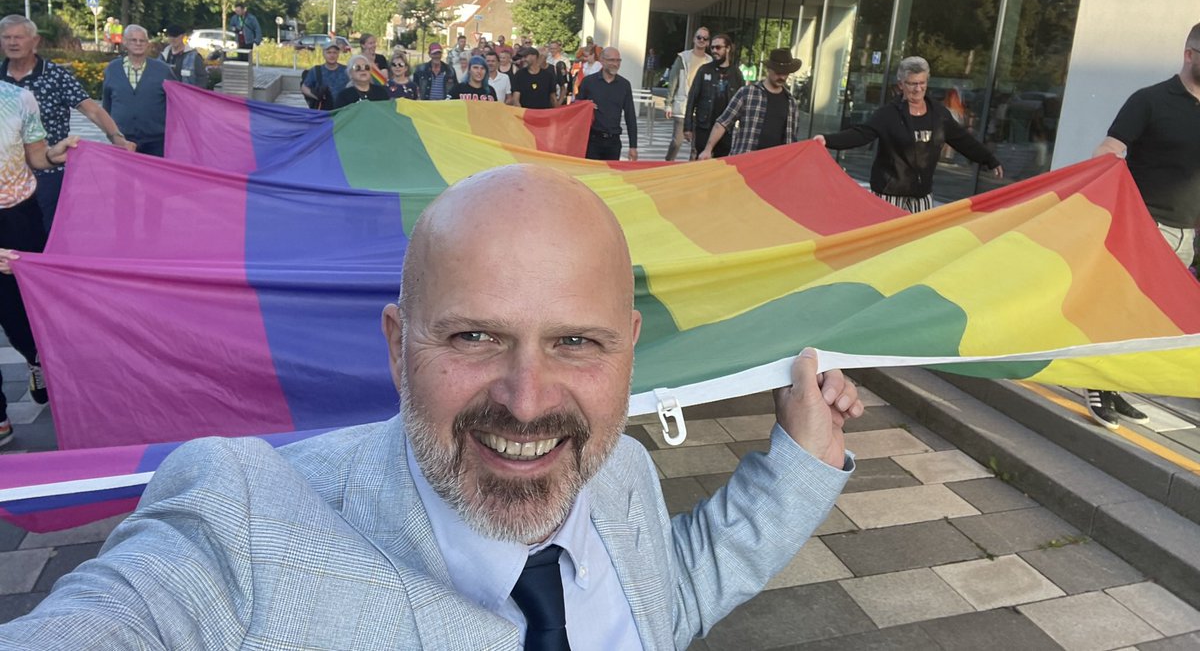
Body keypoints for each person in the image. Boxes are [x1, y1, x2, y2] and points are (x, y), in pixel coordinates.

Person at [0, 164, 861, 645]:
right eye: (472, 338)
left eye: (575, 342)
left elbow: (666, 600)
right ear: (395, 346)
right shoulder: (241, 527)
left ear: (627, 347)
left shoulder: (624, 474)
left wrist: (800, 463)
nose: (527, 403)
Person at [1082, 24, 1200, 428]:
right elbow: (1112, 146)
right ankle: (1092, 382)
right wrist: (1106, 167)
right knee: (1119, 305)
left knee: (1146, 315)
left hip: (1187, 232)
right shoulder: (1150, 100)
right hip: (1146, 224)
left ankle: (1114, 384)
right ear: (1189, 55)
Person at [814, 56, 1003, 213]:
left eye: (922, 83)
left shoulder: (939, 114)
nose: (918, 89)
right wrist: (828, 140)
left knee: (917, 246)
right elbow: (861, 134)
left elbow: (963, 141)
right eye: (912, 84)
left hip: (921, 196)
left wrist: (989, 159)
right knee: (886, 245)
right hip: (889, 195)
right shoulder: (887, 114)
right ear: (901, 85)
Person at [0, 14, 134, 228]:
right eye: (7, 37)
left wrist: (117, 138)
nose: (12, 42)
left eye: (19, 37)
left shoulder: (55, 76)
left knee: (47, 233)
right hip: (7, 180)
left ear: (35, 41)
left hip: (48, 171)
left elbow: (92, 110)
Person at [0, 80, 78, 444]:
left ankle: (35, 357)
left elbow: (36, 157)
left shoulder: (17, 98)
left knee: (21, 312)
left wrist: (55, 154)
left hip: (19, 218)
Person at [698, 48, 805, 159]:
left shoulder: (791, 102)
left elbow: (791, 139)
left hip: (776, 165)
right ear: (769, 69)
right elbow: (722, 123)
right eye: (778, 72)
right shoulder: (747, 93)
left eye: (785, 73)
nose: (782, 77)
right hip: (746, 161)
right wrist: (708, 149)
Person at [101, 24, 176, 157]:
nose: (138, 44)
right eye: (133, 40)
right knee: (122, 176)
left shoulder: (163, 71)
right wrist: (111, 133)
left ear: (147, 44)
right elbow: (107, 103)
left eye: (142, 41)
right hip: (122, 139)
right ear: (125, 42)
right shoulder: (112, 69)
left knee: (154, 177)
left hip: (156, 141)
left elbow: (176, 102)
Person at [684, 33, 744, 160]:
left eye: (718, 47)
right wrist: (687, 127)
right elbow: (692, 98)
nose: (714, 51)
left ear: (727, 49)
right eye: (712, 48)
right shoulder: (704, 70)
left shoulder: (736, 73)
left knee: (720, 164)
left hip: (726, 130)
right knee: (700, 161)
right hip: (704, 126)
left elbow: (743, 102)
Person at [576, 46, 638, 161]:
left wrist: (633, 146)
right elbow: (576, 108)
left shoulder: (624, 85)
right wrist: (585, 105)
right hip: (592, 140)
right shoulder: (588, 82)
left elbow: (630, 116)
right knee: (591, 177)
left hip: (613, 142)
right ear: (602, 61)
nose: (615, 64)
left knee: (610, 177)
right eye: (611, 60)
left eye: (618, 60)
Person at [665, 27, 713, 160]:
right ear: (694, 39)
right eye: (699, 37)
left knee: (696, 146)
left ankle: (692, 171)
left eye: (705, 38)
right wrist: (668, 103)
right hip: (683, 105)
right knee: (677, 142)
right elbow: (673, 80)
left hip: (701, 109)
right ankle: (667, 163)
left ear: (708, 42)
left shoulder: (710, 61)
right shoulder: (683, 57)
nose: (701, 40)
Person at [301, 44, 348, 110]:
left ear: (338, 54)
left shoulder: (346, 70)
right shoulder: (316, 70)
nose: (332, 55)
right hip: (323, 111)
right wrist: (317, 96)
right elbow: (304, 88)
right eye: (329, 52)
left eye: (335, 52)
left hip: (343, 110)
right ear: (323, 54)